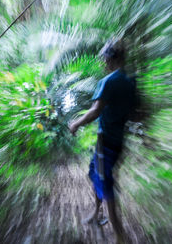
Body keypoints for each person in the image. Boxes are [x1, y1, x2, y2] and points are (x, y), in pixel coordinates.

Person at [69, 40, 135, 243]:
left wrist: (76, 124)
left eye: (104, 59)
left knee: (106, 185)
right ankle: (97, 213)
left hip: (106, 143)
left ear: (110, 58)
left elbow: (95, 110)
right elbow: (137, 112)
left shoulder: (108, 81)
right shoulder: (130, 81)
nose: (102, 63)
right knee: (94, 174)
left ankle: (119, 235)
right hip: (118, 142)